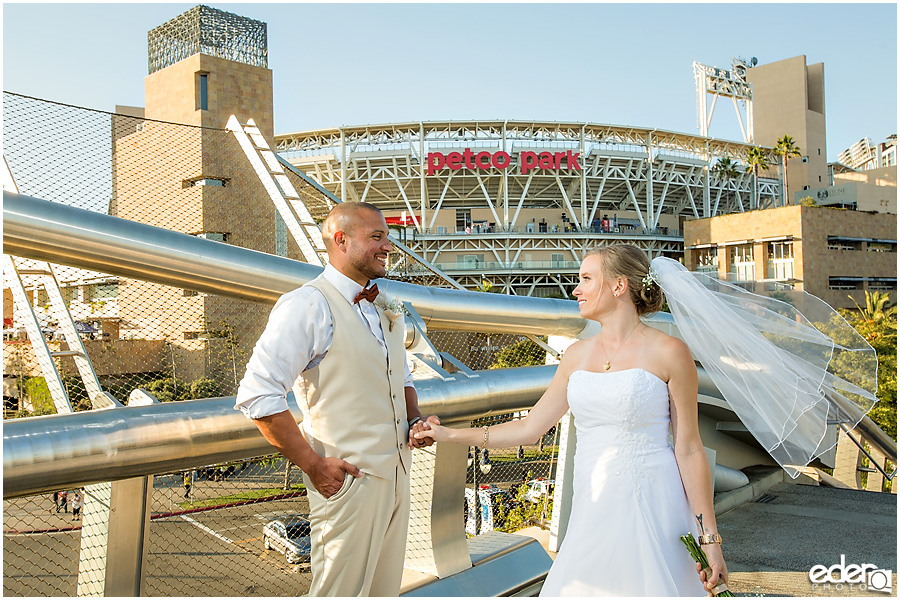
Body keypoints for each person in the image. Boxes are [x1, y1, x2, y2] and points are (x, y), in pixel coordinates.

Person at [416, 244, 724, 596]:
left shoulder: (670, 352)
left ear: (619, 286)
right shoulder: (575, 356)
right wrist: (448, 434)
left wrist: (710, 538)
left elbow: (688, 448)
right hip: (592, 507)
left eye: (586, 279)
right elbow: (529, 429)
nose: (575, 290)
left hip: (656, 505)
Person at [235, 201, 439, 597]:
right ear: (341, 240)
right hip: (346, 483)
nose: (388, 246)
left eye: (387, 236)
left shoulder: (383, 304)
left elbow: (402, 373)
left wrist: (414, 418)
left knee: (383, 591)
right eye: (376, 237)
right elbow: (258, 393)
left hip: (397, 477)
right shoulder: (308, 304)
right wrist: (312, 464)